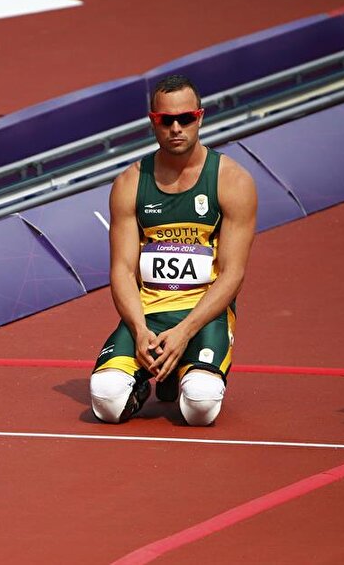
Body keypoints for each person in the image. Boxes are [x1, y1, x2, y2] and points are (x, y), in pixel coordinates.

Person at [89, 74, 256, 427]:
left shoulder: (232, 181)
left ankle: (184, 372)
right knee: (105, 399)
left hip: (204, 315)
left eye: (186, 118)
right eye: (166, 120)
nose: (176, 128)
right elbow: (122, 270)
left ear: (201, 117)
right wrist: (138, 330)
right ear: (153, 122)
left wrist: (184, 333)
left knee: (199, 407)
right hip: (149, 314)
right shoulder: (130, 183)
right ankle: (145, 385)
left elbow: (232, 274)